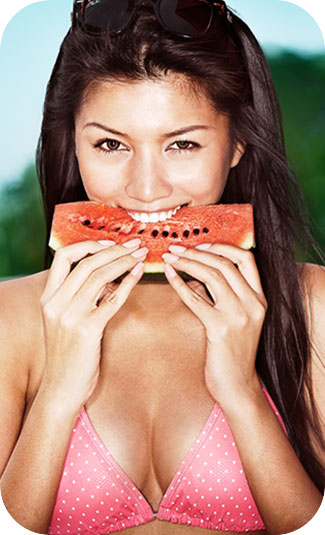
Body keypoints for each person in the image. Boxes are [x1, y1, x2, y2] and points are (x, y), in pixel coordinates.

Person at [0, 1, 324, 534]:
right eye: (109, 144)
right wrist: (59, 389)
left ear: (237, 144)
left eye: (182, 144)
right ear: (73, 145)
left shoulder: (312, 307)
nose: (146, 190)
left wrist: (243, 393)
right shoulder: (12, 321)